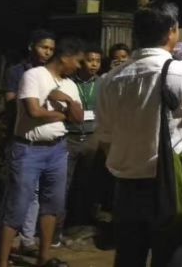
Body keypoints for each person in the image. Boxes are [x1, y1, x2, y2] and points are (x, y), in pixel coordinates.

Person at [95, 1, 182, 267]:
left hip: (125, 185)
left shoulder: (109, 79)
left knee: (128, 257)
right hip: (169, 183)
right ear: (172, 31)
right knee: (169, 255)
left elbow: (105, 138)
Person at [0, 37, 85, 267]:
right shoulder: (34, 75)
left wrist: (66, 100)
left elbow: (78, 118)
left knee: (52, 205)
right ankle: (2, 261)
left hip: (58, 149)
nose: (79, 66)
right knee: (18, 205)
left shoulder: (70, 85)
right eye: (77, 61)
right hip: (28, 149)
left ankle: (43, 257)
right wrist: (63, 114)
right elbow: (33, 112)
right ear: (65, 58)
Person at [0, 29, 56, 256]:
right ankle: (9, 240)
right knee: (18, 191)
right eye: (44, 47)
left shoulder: (50, 73)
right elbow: (12, 102)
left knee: (36, 192)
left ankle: (27, 239)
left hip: (45, 137)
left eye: (51, 49)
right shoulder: (16, 72)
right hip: (20, 137)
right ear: (32, 46)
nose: (47, 52)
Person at [59, 44, 102, 235]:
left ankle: (82, 219)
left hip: (93, 137)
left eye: (97, 61)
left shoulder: (102, 83)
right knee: (65, 181)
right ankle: (60, 221)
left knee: (87, 180)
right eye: (90, 60)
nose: (94, 64)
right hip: (70, 136)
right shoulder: (69, 82)